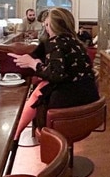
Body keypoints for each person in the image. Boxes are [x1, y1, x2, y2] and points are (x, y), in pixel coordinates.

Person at [8, 7, 99, 141]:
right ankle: (15, 135)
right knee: (41, 88)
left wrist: (34, 64)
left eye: (46, 25)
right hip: (90, 99)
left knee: (39, 92)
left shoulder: (55, 42)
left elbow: (57, 75)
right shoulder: (76, 42)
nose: (46, 29)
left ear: (52, 25)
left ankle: (14, 137)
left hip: (70, 105)